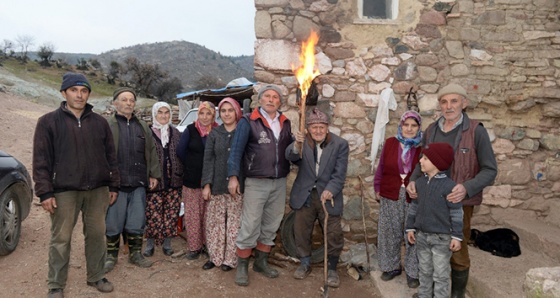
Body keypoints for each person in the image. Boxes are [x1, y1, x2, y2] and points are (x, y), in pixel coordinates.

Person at [406, 83, 498, 298]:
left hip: (459, 201)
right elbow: (422, 161)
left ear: (464, 103)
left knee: (457, 247)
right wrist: (412, 180)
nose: (449, 106)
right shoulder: (431, 130)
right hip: (429, 199)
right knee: (427, 247)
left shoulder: (476, 131)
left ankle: (456, 295)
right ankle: (428, 292)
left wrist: (466, 188)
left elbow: (490, 170)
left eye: (454, 101)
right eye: (444, 101)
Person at [33, 72, 119, 297]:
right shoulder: (48, 122)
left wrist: (114, 185)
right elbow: (41, 160)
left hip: (98, 190)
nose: (79, 95)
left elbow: (111, 156)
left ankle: (96, 276)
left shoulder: (100, 122)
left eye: (83, 91)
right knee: (61, 239)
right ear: (64, 93)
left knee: (96, 235)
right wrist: (44, 192)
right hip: (64, 191)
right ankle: (56, 285)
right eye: (74, 90)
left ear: (88, 94)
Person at [227, 84, 293, 287]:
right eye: (267, 96)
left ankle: (261, 263)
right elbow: (236, 150)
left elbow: (290, 153)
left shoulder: (285, 122)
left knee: (272, 223)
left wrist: (297, 148)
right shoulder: (248, 121)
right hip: (256, 181)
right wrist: (233, 176)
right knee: (250, 223)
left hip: (279, 181)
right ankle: (242, 266)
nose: (271, 100)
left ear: (279, 102)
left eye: (275, 97)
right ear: (260, 100)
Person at [285, 108, 349, 287]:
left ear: (327, 127)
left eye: (322, 127)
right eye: (314, 127)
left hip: (328, 195)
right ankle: (305, 263)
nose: (318, 131)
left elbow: (339, 174)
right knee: (301, 230)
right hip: (305, 193)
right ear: (308, 129)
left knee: (333, 232)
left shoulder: (340, 144)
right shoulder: (302, 141)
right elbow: (290, 157)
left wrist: (331, 189)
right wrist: (295, 145)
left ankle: (333, 268)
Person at [105, 87, 162, 272]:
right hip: (116, 184)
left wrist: (154, 174)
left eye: (131, 100)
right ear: (115, 103)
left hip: (138, 182)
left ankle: (135, 254)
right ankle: (110, 256)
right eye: (124, 99)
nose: (129, 103)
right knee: (113, 222)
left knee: (136, 221)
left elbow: (152, 151)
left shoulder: (142, 126)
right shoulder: (107, 125)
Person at [406, 142, 463, 298]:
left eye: (425, 158)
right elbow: (414, 207)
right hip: (422, 237)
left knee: (441, 275)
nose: (420, 161)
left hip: (441, 239)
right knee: (424, 271)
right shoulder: (419, 183)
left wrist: (457, 236)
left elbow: (457, 213)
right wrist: (410, 228)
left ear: (437, 163)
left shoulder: (450, 187)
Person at [373, 110, 422, 288]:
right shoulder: (390, 143)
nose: (409, 129)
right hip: (390, 192)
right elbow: (381, 168)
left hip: (414, 196)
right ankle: (391, 267)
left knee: (413, 233)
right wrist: (377, 187)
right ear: (400, 126)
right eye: (406, 125)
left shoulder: (422, 147)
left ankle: (413, 271)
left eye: (413, 125)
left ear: (418, 128)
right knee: (389, 231)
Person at [201, 97, 244, 271]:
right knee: (214, 223)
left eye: (230, 110)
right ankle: (215, 257)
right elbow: (208, 160)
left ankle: (230, 260)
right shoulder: (214, 134)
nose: (227, 114)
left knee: (234, 224)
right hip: (217, 184)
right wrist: (206, 184)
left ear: (237, 112)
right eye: (223, 111)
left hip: (237, 186)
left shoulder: (242, 132)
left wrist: (241, 179)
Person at [177, 101, 218, 260]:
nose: (205, 117)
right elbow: (181, 151)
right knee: (193, 215)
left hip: (212, 181)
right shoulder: (190, 130)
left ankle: (208, 245)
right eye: (202, 113)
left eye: (208, 113)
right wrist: (192, 165)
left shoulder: (217, 130)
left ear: (213, 115)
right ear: (197, 114)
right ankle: (194, 248)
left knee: (209, 216)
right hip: (192, 180)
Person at [143, 102, 183, 257]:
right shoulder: (148, 133)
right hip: (155, 181)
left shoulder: (176, 133)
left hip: (174, 180)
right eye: (160, 112)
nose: (164, 115)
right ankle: (150, 243)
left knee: (171, 212)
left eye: (167, 112)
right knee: (152, 213)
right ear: (155, 114)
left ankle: (167, 243)